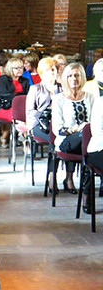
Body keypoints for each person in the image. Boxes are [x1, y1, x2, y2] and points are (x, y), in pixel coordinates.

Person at [52, 63, 95, 194]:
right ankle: (84, 190)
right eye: (70, 76)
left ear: (82, 77)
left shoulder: (90, 97)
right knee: (85, 139)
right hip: (66, 139)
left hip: (88, 139)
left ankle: (88, 189)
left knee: (91, 146)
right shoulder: (59, 99)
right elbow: (58, 128)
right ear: (65, 78)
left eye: (77, 75)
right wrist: (77, 129)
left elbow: (95, 120)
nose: (74, 79)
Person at [26, 57, 60, 150]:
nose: (51, 72)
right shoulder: (35, 88)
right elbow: (30, 112)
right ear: (41, 73)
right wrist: (45, 112)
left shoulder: (62, 88)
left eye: (53, 69)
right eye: (47, 70)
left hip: (58, 123)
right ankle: (53, 161)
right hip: (39, 123)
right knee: (56, 138)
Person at [0, 56, 30, 147]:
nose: (20, 70)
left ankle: (19, 136)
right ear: (10, 69)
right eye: (16, 68)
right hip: (5, 107)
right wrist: (19, 98)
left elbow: (29, 96)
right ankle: (25, 143)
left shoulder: (25, 81)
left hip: (21, 108)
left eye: (21, 68)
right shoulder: (3, 79)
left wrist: (19, 98)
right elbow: (3, 94)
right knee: (22, 120)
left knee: (28, 117)